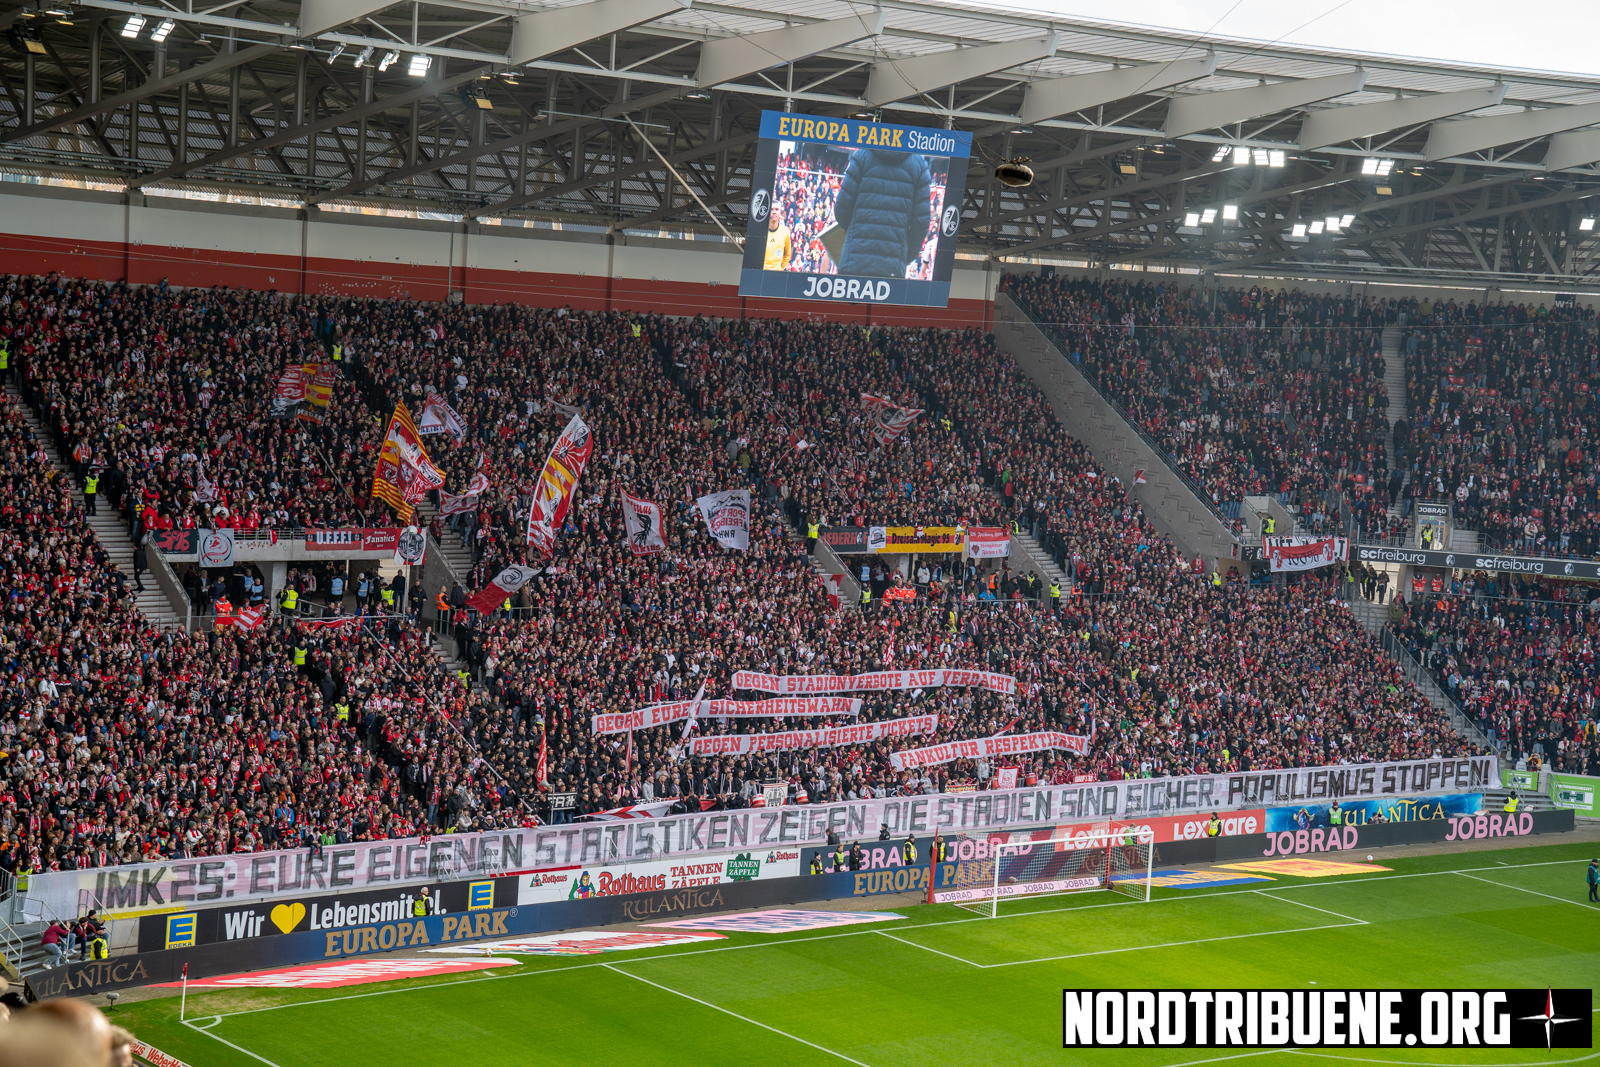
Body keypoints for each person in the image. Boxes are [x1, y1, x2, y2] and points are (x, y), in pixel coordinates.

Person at [833, 147, 933, 279]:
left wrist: (854, 235)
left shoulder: (861, 156)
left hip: (854, 263)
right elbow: (921, 222)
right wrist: (906, 255)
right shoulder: (919, 165)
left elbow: (842, 209)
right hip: (892, 268)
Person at [763, 201, 793, 272]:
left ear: (780, 212)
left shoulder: (785, 231)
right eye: (772, 209)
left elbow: (787, 255)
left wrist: (779, 270)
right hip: (762, 274)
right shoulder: (762, 231)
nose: (774, 212)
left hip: (777, 275)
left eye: (776, 209)